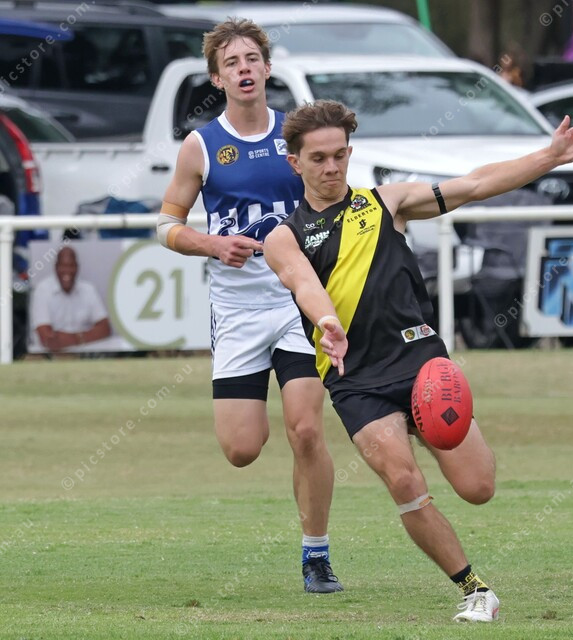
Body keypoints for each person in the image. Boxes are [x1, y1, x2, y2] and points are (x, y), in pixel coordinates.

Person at [263, 100, 573, 621]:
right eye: (318, 159)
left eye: (339, 155)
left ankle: (428, 434)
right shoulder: (283, 237)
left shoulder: (387, 202)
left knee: (478, 488)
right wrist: (327, 321)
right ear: (295, 163)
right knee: (404, 481)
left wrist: (550, 156)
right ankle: (475, 590)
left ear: (350, 152)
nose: (331, 167)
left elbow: (475, 185)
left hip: (422, 365)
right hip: (357, 379)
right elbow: (303, 282)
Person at [156, 20, 342, 593]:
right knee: (241, 449)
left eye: (252, 59)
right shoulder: (201, 145)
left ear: (267, 68)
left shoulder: (297, 136)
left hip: (295, 300)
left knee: (305, 430)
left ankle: (316, 556)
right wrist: (212, 244)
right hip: (237, 311)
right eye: (231, 62)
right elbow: (166, 225)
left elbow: (335, 195)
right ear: (217, 78)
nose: (244, 69)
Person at [31, 246, 111, 351]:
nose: (67, 271)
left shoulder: (88, 289)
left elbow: (105, 328)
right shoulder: (42, 289)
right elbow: (47, 338)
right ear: (56, 267)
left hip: (84, 353)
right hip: (50, 355)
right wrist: (87, 336)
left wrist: (76, 338)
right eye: (63, 266)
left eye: (71, 266)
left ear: (77, 267)